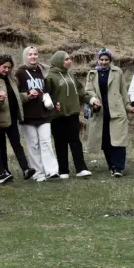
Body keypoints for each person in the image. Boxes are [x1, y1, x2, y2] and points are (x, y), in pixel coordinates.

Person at [14, 47, 59, 181]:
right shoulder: (19, 73)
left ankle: (51, 171)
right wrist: (28, 94)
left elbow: (49, 90)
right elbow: (16, 95)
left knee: (46, 142)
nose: (33, 57)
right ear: (25, 56)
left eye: (35, 54)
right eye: (30, 54)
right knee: (33, 144)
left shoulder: (43, 71)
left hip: (43, 113)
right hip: (28, 115)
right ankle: (38, 173)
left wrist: (54, 102)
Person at [85, 49, 130, 177]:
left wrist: (128, 105)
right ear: (98, 60)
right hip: (100, 112)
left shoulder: (117, 72)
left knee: (118, 140)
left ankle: (119, 168)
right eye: (102, 59)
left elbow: (123, 90)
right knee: (106, 141)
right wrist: (94, 100)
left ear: (110, 60)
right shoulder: (92, 74)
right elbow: (88, 91)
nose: (104, 62)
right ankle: (111, 165)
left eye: (106, 60)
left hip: (116, 111)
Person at [46, 50, 90, 179]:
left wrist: (91, 100)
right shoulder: (50, 77)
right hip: (57, 115)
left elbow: (81, 91)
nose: (69, 61)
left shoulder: (70, 75)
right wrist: (54, 104)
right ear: (58, 60)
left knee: (75, 141)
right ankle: (63, 170)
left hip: (73, 113)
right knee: (60, 143)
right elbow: (46, 95)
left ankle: (81, 168)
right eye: (66, 59)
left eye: (70, 59)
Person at [0, 56, 29, 181]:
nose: (6, 70)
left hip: (12, 117)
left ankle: (26, 169)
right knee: (1, 147)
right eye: (4, 67)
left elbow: (16, 97)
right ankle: (5, 171)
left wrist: (28, 95)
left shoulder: (13, 79)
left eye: (9, 67)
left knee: (17, 144)